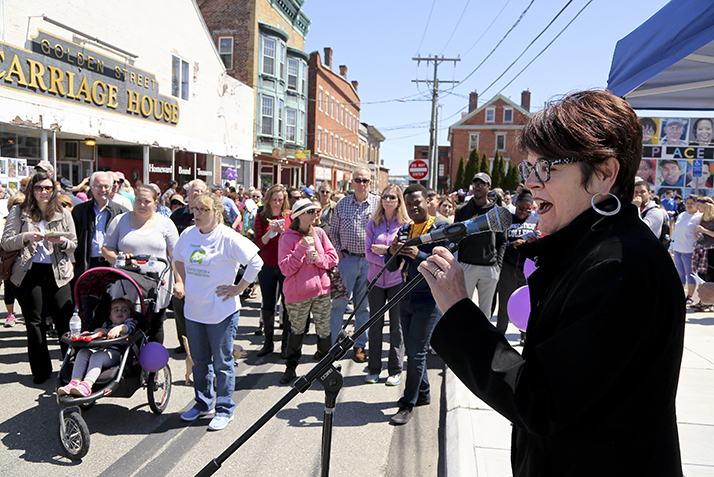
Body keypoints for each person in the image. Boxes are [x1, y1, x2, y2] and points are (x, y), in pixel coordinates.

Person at [420, 90, 684, 474]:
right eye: (529, 168)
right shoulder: (589, 248)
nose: (531, 184)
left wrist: (460, 312)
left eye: (547, 167)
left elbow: (541, 400)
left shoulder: (622, 266)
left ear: (605, 173)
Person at [174, 192, 262, 431]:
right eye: (195, 210)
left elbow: (256, 262)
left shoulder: (227, 237)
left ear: (217, 213)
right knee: (200, 362)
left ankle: (224, 408)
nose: (198, 215)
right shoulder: (188, 235)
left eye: (204, 210)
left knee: (222, 363)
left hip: (221, 312)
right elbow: (178, 258)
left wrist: (239, 288)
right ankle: (203, 403)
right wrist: (181, 281)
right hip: (194, 310)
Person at [1, 172, 77, 383]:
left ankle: (70, 369)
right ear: (31, 190)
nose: (43, 192)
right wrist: (25, 237)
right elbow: (6, 242)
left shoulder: (63, 211)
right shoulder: (19, 211)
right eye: (38, 188)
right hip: (28, 272)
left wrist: (61, 241)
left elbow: (74, 244)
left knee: (64, 322)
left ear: (54, 190)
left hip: (58, 272)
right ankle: (41, 371)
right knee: (35, 323)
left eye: (48, 188)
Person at [384, 183, 449, 425]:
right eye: (409, 204)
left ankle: (407, 403)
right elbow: (392, 268)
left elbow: (442, 263)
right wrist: (392, 252)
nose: (413, 207)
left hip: (430, 299)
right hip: (406, 296)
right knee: (413, 351)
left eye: (417, 203)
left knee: (416, 353)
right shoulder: (406, 229)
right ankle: (422, 394)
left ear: (428, 202)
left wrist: (417, 254)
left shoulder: (441, 227)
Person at [102, 185, 179, 343]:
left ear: (155, 203)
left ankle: (152, 364)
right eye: (139, 200)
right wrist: (119, 258)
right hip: (126, 284)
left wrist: (180, 282)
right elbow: (106, 249)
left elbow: (175, 256)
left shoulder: (166, 224)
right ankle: (130, 364)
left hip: (156, 285)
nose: (142, 205)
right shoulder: (120, 220)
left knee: (155, 325)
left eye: (147, 201)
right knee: (127, 324)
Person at [277, 199, 338, 384]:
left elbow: (333, 258)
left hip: (321, 291)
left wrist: (318, 259)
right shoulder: (287, 237)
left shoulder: (319, 232)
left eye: (315, 211)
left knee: (324, 331)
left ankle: (326, 368)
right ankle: (291, 367)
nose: (314, 214)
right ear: (299, 215)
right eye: (310, 211)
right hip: (297, 295)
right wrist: (301, 249)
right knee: (296, 331)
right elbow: (286, 269)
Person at [329, 167, 380, 362]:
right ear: (352, 182)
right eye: (358, 180)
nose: (361, 184)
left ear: (370, 182)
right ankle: (333, 346)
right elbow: (333, 232)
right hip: (346, 261)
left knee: (363, 307)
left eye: (365, 180)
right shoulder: (341, 204)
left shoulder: (377, 204)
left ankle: (360, 346)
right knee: (338, 305)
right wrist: (340, 252)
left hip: (369, 262)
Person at [364, 184, 408, 386]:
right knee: (375, 325)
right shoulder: (373, 223)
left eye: (392, 197)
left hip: (397, 281)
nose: (388, 200)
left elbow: (406, 255)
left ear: (399, 200)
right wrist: (389, 257)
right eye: (385, 196)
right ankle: (374, 368)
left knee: (396, 328)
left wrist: (386, 251)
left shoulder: (406, 225)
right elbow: (368, 253)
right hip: (374, 281)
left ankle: (395, 370)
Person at [57, 297, 138, 397]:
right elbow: (96, 334)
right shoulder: (106, 324)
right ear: (110, 316)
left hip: (116, 354)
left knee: (97, 356)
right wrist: (97, 331)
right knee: (82, 352)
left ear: (130, 314)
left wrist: (120, 328)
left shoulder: (130, 323)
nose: (120, 312)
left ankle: (87, 384)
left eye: (124, 310)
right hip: (99, 349)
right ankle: (74, 382)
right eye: (116, 310)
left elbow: (128, 329)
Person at [453, 172, 507, 319]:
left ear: (488, 187)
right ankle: (464, 341)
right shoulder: (462, 211)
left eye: (482, 184)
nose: (478, 187)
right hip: (467, 266)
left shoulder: (496, 212)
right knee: (464, 310)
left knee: (486, 313)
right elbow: (455, 239)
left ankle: (483, 342)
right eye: (475, 184)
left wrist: (499, 264)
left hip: (490, 267)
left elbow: (502, 240)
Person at [495, 189, 540, 335]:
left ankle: (525, 335)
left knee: (528, 303)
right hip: (509, 265)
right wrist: (513, 245)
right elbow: (500, 242)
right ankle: (500, 334)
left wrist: (534, 243)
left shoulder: (535, 220)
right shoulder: (509, 220)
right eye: (521, 208)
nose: (524, 213)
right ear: (515, 204)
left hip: (528, 267)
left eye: (528, 210)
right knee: (504, 303)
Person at [169, 179, 207, 353]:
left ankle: (200, 343)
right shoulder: (176, 216)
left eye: (201, 191)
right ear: (188, 193)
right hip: (181, 265)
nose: (197, 194)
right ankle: (184, 342)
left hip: (203, 268)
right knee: (180, 303)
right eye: (195, 191)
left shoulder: (211, 215)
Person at [254, 184, 292, 357]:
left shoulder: (289, 216)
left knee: (287, 303)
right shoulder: (261, 217)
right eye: (274, 200)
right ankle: (268, 342)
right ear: (268, 200)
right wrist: (271, 232)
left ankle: (286, 344)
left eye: (280, 200)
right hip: (267, 264)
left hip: (285, 264)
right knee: (268, 304)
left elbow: (292, 240)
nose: (277, 203)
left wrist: (282, 230)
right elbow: (259, 244)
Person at [72, 172, 128, 279]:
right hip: (87, 264)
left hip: (112, 264)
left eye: (106, 186)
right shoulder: (79, 211)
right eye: (99, 186)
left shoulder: (121, 212)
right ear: (91, 188)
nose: (103, 190)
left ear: (111, 188)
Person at [672, 196, 701, 306]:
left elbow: (699, 234)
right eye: (687, 203)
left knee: (691, 274)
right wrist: (671, 247)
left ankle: (690, 296)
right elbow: (675, 231)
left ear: (697, 205)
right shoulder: (682, 215)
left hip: (690, 250)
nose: (689, 205)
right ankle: (679, 294)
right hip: (678, 248)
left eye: (692, 203)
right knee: (680, 274)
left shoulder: (699, 217)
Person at [2, 193, 24, 327]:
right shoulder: (5, 219)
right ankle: (10, 314)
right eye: (16, 204)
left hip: (24, 258)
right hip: (9, 257)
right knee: (8, 286)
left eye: (21, 204)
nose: (19, 207)